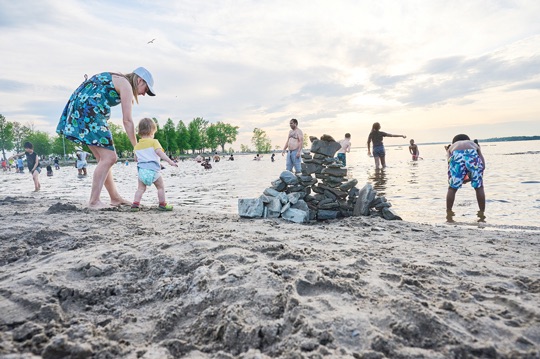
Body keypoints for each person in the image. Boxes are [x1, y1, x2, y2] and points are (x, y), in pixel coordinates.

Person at [56, 67, 155, 209]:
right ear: (139, 80)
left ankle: (114, 198)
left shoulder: (116, 77)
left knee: (103, 159)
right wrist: (136, 147)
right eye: (146, 89)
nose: (145, 94)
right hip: (90, 111)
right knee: (110, 158)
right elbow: (127, 121)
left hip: (80, 108)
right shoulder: (126, 85)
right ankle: (94, 201)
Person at [131, 118, 178, 212]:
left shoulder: (137, 146)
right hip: (153, 170)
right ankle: (162, 204)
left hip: (141, 171)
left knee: (140, 189)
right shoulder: (154, 142)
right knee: (160, 187)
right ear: (152, 131)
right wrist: (170, 161)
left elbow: (136, 159)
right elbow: (160, 153)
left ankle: (135, 204)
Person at [445, 134, 486, 222]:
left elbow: (449, 163)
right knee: (479, 187)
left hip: (456, 156)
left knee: (452, 188)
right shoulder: (473, 144)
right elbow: (483, 164)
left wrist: (457, 180)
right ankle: (482, 214)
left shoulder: (451, 147)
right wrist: (475, 177)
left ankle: (449, 213)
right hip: (473, 155)